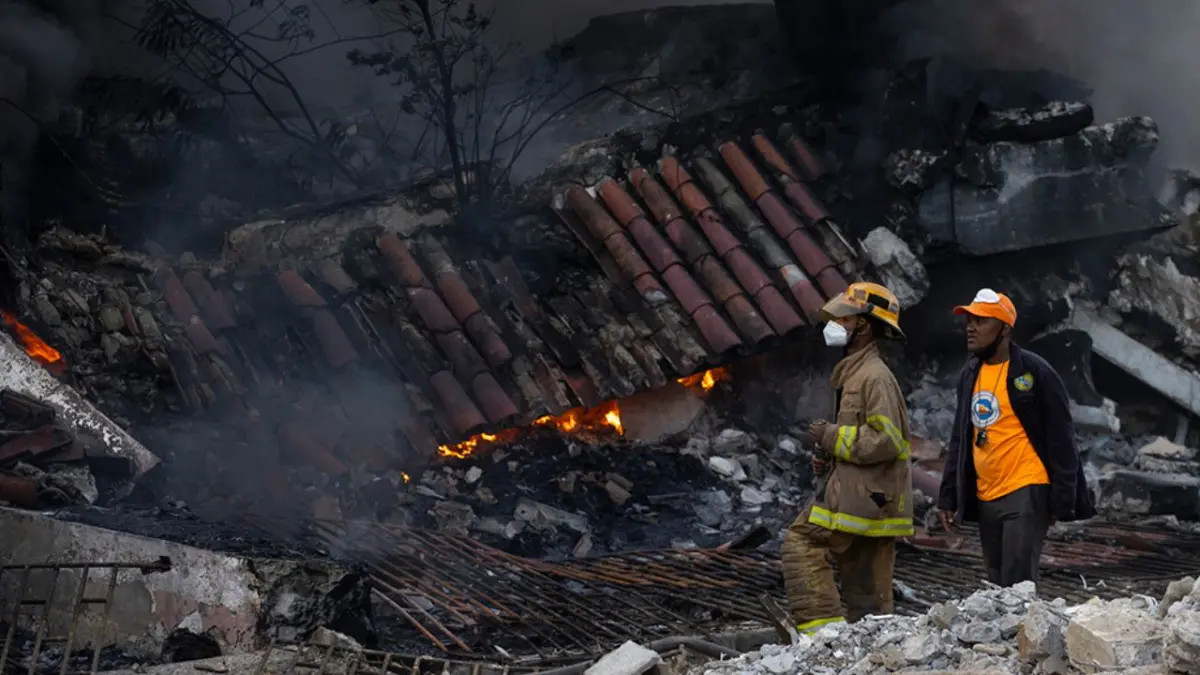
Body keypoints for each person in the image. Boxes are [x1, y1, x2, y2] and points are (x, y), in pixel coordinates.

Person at [936, 288, 1095, 587]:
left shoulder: (1035, 372)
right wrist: (948, 496)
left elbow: (1062, 439)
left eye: (981, 321)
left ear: (1005, 328)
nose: (971, 327)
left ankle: (1026, 632)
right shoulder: (970, 374)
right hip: (987, 494)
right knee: (996, 583)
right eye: (969, 319)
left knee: (1017, 582)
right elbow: (959, 438)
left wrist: (1061, 501)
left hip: (1025, 487)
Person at [781, 281, 913, 634]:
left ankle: (825, 637)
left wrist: (831, 436)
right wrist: (829, 454)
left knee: (802, 542)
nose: (835, 324)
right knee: (866, 592)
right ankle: (867, 652)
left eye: (844, 318)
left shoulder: (874, 377)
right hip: (865, 497)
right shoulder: (856, 374)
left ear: (864, 326)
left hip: (865, 498)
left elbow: (887, 439)